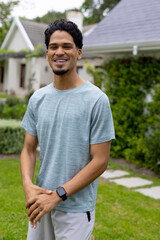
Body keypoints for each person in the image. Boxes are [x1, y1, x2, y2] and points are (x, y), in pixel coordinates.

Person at [20, 19, 115, 240]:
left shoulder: (97, 100)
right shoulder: (38, 99)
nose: (59, 52)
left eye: (66, 46)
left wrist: (58, 195)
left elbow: (100, 161)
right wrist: (28, 186)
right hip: (41, 203)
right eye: (53, 47)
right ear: (47, 54)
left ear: (79, 53)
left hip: (77, 208)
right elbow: (27, 149)